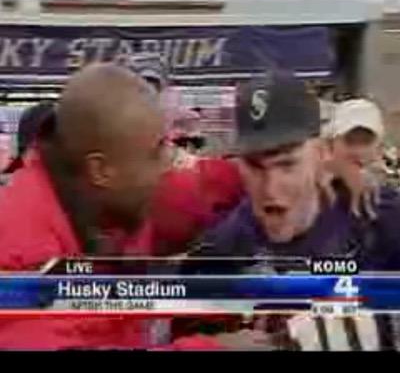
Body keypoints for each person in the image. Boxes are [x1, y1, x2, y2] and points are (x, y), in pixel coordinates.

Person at [175, 71, 400, 350]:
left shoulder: (376, 215)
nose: (271, 187)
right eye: (255, 166)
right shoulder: (221, 250)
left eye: (287, 165)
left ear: (321, 153)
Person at [0, 63, 167, 349]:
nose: (166, 166)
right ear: (101, 170)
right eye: (155, 153)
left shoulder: (111, 204)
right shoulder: (22, 254)